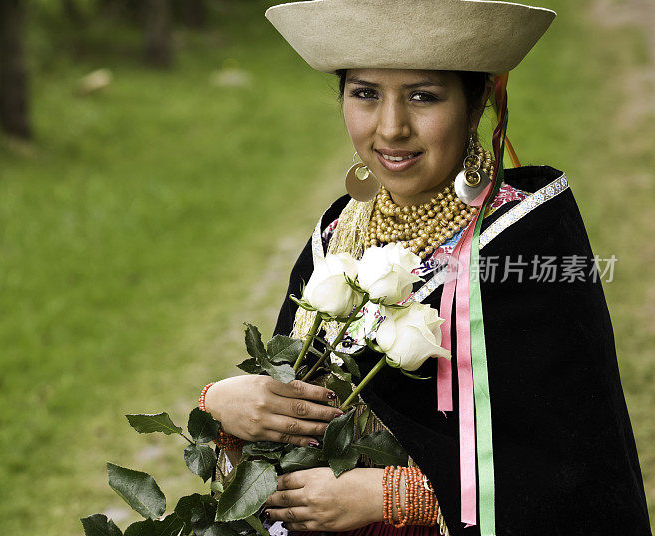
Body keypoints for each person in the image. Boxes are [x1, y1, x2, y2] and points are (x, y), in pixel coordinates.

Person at [201, 1, 652, 535]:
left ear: (477, 100)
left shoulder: (528, 240)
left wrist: (398, 497)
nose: (391, 129)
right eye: (365, 93)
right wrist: (224, 406)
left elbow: (575, 467)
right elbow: (286, 421)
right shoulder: (337, 233)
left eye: (424, 96)